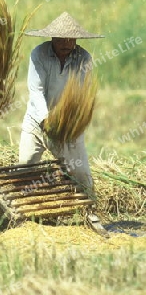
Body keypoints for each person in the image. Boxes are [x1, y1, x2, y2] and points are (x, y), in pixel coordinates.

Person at [18, 12, 104, 193]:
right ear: (52, 38)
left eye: (70, 39)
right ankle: (21, 211)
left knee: (80, 174)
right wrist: (46, 120)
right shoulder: (38, 54)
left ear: (76, 39)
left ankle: (86, 210)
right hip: (37, 122)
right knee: (25, 167)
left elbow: (80, 96)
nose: (66, 43)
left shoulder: (84, 59)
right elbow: (36, 91)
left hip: (68, 127)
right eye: (61, 39)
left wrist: (69, 125)